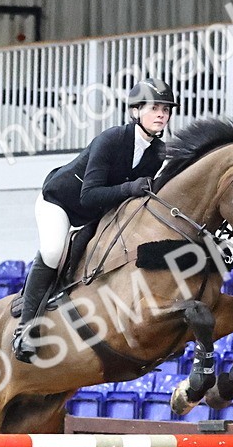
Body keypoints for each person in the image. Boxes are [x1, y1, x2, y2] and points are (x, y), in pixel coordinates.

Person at [11, 78, 177, 362]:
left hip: (98, 212)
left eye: (166, 109)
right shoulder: (111, 139)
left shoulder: (157, 153)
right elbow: (89, 194)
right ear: (136, 111)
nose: (161, 114)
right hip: (62, 202)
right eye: (154, 107)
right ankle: (26, 329)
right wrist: (129, 189)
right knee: (53, 250)